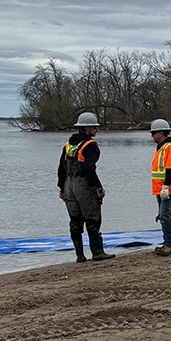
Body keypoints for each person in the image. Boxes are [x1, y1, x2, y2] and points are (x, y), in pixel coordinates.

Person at [56, 111, 114, 262]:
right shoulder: (91, 145)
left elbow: (61, 168)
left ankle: (80, 255)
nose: (97, 130)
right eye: (94, 127)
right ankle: (97, 253)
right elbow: (89, 169)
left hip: (69, 185)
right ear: (87, 128)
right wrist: (99, 187)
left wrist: (61, 188)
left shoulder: (68, 145)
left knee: (75, 220)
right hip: (84, 186)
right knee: (92, 218)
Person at [150, 118, 171, 255]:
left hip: (167, 187)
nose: (152, 136)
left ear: (161, 133)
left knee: (164, 215)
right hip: (161, 187)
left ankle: (168, 244)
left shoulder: (169, 147)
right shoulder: (162, 148)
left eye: (153, 133)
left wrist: (166, 186)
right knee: (167, 214)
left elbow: (170, 169)